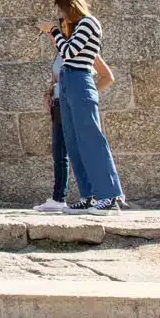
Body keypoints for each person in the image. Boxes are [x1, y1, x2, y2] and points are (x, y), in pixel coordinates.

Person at [38, 0, 125, 215]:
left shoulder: (88, 22)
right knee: (74, 142)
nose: (61, 15)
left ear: (71, 6)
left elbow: (69, 52)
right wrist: (57, 34)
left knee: (91, 139)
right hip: (68, 81)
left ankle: (109, 196)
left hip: (80, 79)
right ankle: (89, 196)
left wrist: (54, 31)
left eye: (62, 10)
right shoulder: (77, 28)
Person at [33, 53, 115, 213]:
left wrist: (87, 95)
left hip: (75, 104)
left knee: (83, 149)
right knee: (60, 152)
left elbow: (108, 77)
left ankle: (99, 196)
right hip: (59, 105)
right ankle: (62, 198)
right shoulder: (60, 53)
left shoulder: (84, 51)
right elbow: (58, 81)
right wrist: (50, 94)